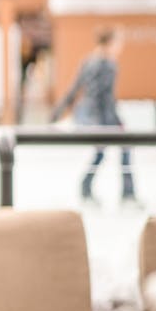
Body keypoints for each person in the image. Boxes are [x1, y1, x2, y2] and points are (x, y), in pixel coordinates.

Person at [51, 26, 137, 205]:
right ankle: (127, 193)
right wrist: (117, 122)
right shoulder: (109, 65)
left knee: (100, 153)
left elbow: (75, 88)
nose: (120, 47)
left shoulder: (88, 61)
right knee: (126, 147)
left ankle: (86, 186)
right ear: (110, 42)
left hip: (87, 116)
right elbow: (105, 98)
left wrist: (58, 111)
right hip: (101, 118)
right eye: (118, 42)